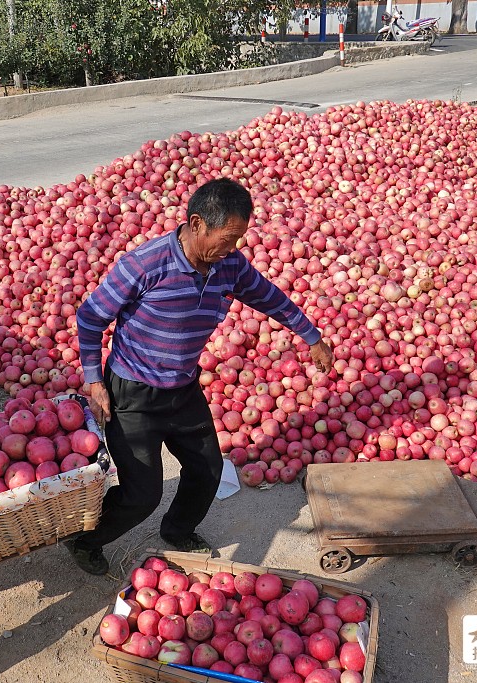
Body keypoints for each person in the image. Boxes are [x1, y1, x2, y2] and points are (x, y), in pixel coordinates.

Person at [67, 178, 334, 575]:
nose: (233, 249)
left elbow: (269, 296)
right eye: (227, 238)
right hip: (134, 392)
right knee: (143, 495)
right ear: (197, 225)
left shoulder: (228, 265)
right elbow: (90, 318)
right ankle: (85, 540)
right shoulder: (144, 264)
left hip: (183, 388)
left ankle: (178, 528)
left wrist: (311, 335)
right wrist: (93, 378)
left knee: (208, 468)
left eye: (239, 239)